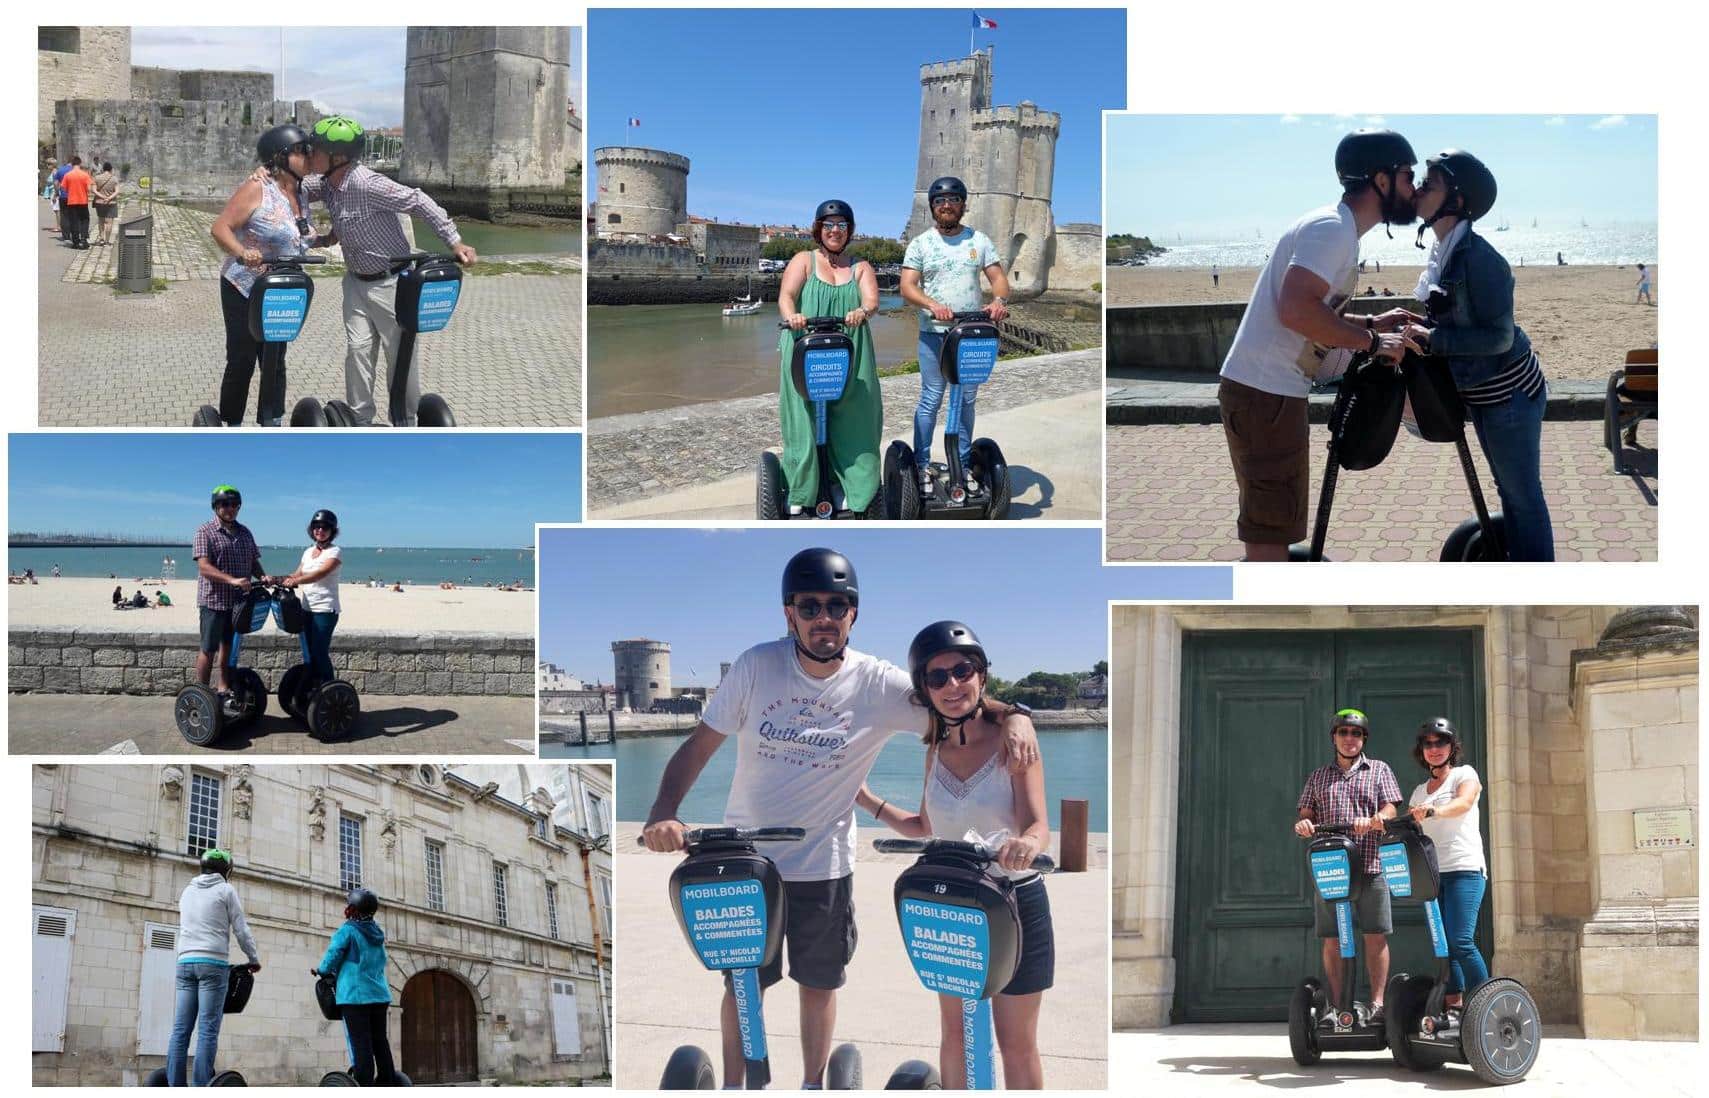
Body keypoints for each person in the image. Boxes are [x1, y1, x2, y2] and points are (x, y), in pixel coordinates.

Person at [640, 548, 1040, 1089]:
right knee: (741, 984)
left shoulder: (877, 683)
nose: (823, 617)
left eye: (837, 605)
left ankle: (811, 1084)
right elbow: (700, 745)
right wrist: (664, 814)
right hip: (746, 858)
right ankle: (740, 1086)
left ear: (854, 614)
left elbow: (954, 701)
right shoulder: (756, 666)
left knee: (819, 982)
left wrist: (1018, 716)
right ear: (790, 614)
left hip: (823, 859)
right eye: (810, 606)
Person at [857, 622, 1052, 1088]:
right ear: (924, 690)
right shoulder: (935, 749)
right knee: (957, 1034)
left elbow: (1038, 825)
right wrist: (864, 798)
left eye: (962, 671)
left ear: (981, 675)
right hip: (952, 906)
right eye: (937, 678)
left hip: (1014, 903)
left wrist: (1026, 843)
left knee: (1016, 1042)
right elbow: (925, 828)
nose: (952, 685)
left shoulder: (1014, 740)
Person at [1217, 129, 1422, 561]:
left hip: (1270, 393)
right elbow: (1295, 311)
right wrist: (1371, 341)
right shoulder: (1332, 230)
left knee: (1277, 522)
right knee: (1270, 535)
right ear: (1380, 180)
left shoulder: (1338, 229)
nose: (1413, 186)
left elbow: (1311, 312)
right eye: (1407, 174)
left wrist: (1370, 320)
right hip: (1265, 394)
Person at [1399, 150, 1555, 561]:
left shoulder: (1481, 260)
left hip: (1510, 397)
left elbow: (1500, 338)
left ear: (1457, 200)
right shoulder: (1444, 253)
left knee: (1522, 498)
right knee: (1511, 493)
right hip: (1487, 396)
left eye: (1429, 184)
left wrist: (1433, 339)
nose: (1418, 190)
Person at [300, 116, 477, 426]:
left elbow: (418, 201)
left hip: (391, 283)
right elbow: (297, 186)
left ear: (336, 156)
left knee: (400, 359)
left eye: (315, 150)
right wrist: (268, 177)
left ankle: (405, 420)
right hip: (355, 282)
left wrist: (455, 242)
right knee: (357, 350)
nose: (310, 154)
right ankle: (360, 418)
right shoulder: (327, 183)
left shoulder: (368, 184)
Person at [900, 177, 1012, 500]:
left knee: (965, 401)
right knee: (931, 398)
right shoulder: (920, 243)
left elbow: (998, 280)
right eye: (939, 201)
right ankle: (922, 463)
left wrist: (998, 302)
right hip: (934, 335)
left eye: (953, 200)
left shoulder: (979, 241)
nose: (946, 205)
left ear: (963, 204)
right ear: (933, 207)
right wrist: (931, 305)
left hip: (970, 336)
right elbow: (908, 286)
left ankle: (961, 463)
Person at [1293, 708, 1402, 1024]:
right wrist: (1304, 825)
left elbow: (1391, 807)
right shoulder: (1319, 776)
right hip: (1333, 870)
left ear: (1363, 738)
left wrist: (1379, 819)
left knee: (1376, 935)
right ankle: (1338, 1006)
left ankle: (1378, 1005)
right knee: (1333, 939)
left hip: (1370, 864)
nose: (1350, 738)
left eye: (1356, 733)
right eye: (1344, 732)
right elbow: (1306, 813)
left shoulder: (1379, 770)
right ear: (1334, 737)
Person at [777, 199, 883, 514]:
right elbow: (786, 296)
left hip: (851, 345)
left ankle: (851, 484)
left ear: (849, 230)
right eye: (829, 225)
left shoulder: (860, 267)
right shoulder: (803, 260)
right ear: (818, 229)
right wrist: (792, 316)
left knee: (857, 415)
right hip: (806, 345)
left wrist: (862, 311)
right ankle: (802, 489)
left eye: (841, 225)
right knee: (803, 415)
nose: (835, 231)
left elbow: (873, 301)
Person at [211, 124, 315, 427]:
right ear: (280, 157)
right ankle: (231, 422)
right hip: (244, 287)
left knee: (275, 359)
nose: (308, 156)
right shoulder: (258, 187)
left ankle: (272, 421)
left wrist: (325, 239)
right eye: (301, 150)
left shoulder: (302, 192)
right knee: (242, 359)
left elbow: (295, 236)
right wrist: (242, 253)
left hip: (281, 289)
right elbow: (220, 228)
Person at [1405, 717, 1488, 1011]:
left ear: (1452, 746)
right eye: (1428, 744)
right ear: (1422, 750)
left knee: (1461, 940)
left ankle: (1484, 1005)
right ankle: (1454, 1004)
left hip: (1465, 869)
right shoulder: (1418, 793)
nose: (1434, 748)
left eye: (1440, 742)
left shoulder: (1464, 775)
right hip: (1433, 875)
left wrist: (1434, 812)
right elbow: (1410, 831)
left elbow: (1464, 803)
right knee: (1444, 946)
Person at [168, 849, 262, 1087]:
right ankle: (201, 1086)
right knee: (207, 1030)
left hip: (184, 964)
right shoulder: (226, 890)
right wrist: (253, 958)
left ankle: (174, 1086)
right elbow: (241, 930)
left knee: (180, 1030)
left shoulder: (187, 891)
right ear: (225, 870)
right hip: (212, 964)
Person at [193, 485, 268, 715]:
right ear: (216, 506)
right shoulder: (205, 531)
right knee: (208, 649)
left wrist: (263, 576)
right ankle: (201, 694)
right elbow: (204, 567)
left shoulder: (245, 532)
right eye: (225, 504)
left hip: (239, 604)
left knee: (228, 647)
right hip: (214, 602)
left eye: (234, 504)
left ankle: (223, 690)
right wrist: (233, 580)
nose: (230, 509)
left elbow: (253, 561)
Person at [318, 888, 400, 1086]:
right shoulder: (377, 933)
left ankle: (364, 1084)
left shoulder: (348, 930)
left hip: (355, 997)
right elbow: (381, 960)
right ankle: (387, 1082)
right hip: (379, 995)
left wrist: (322, 970)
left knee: (360, 1043)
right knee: (380, 1041)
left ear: (352, 908)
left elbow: (333, 954)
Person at [279, 509, 343, 685]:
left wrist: (296, 580)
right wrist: (277, 579)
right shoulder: (308, 552)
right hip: (306, 609)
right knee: (308, 651)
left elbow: (319, 574)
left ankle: (329, 689)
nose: (320, 530)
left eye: (324, 527)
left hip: (325, 610)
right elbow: (297, 573)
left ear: (332, 531)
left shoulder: (335, 552)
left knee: (319, 652)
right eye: (316, 526)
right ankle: (314, 687)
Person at [61, 156, 93, 249]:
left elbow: (64, 187)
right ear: (80, 163)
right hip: (83, 201)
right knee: (84, 220)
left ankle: (75, 242)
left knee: (73, 221)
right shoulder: (85, 175)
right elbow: (89, 188)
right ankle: (83, 239)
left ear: (72, 164)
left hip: (71, 201)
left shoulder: (68, 175)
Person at [91, 162, 119, 245]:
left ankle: (101, 238)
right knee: (109, 222)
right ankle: (107, 240)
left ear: (103, 169)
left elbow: (94, 190)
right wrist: (109, 198)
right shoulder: (114, 179)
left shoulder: (97, 177)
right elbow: (117, 191)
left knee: (101, 221)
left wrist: (103, 197)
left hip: (99, 202)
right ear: (111, 169)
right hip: (111, 202)